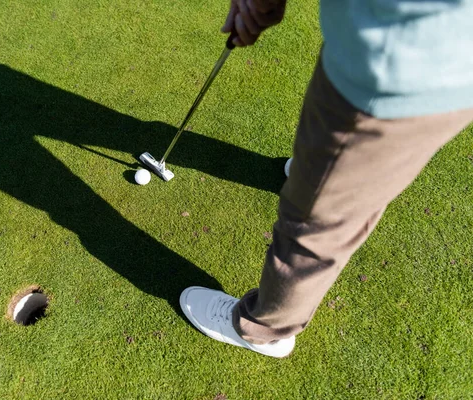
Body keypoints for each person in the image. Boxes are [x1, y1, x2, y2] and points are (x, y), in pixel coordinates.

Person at [179, 0, 473, 357]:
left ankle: (265, 329)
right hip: (371, 40)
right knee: (323, 150)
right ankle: (315, 172)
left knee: (314, 226)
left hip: (401, 68)